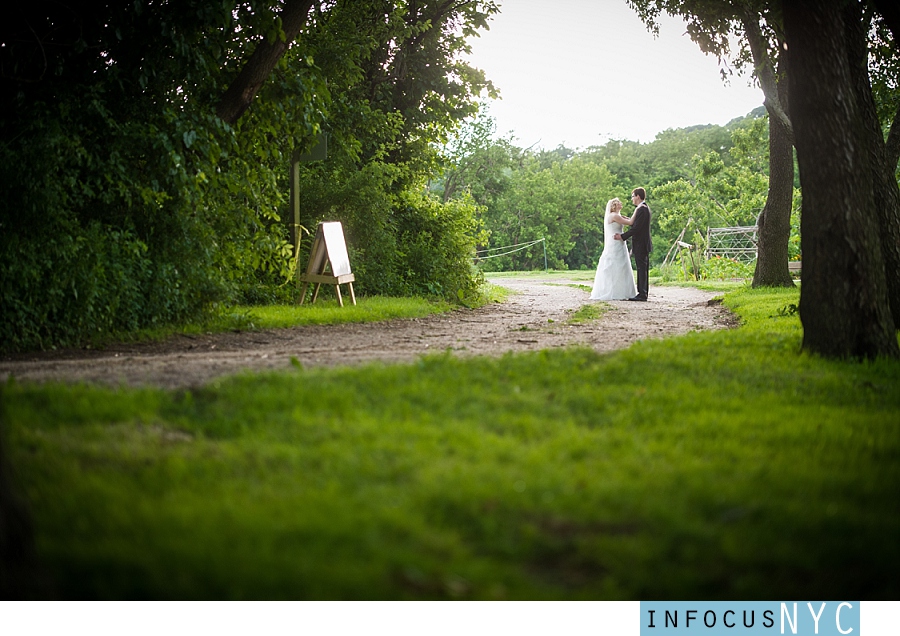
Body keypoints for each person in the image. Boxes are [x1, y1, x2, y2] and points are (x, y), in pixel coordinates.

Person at [590, 198, 638, 300]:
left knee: (619, 264)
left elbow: (626, 221)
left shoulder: (616, 216)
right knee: (617, 265)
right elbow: (630, 222)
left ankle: (619, 290)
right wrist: (637, 211)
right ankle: (618, 291)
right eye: (619, 203)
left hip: (618, 241)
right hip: (616, 242)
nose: (621, 204)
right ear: (615, 205)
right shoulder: (614, 216)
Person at [615, 188, 653, 301]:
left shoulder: (642, 209)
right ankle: (643, 292)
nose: (632, 199)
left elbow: (636, 228)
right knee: (642, 268)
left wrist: (622, 236)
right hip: (642, 243)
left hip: (641, 244)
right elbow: (636, 224)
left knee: (642, 268)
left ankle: (642, 294)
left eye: (632, 196)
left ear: (638, 196)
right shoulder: (642, 208)